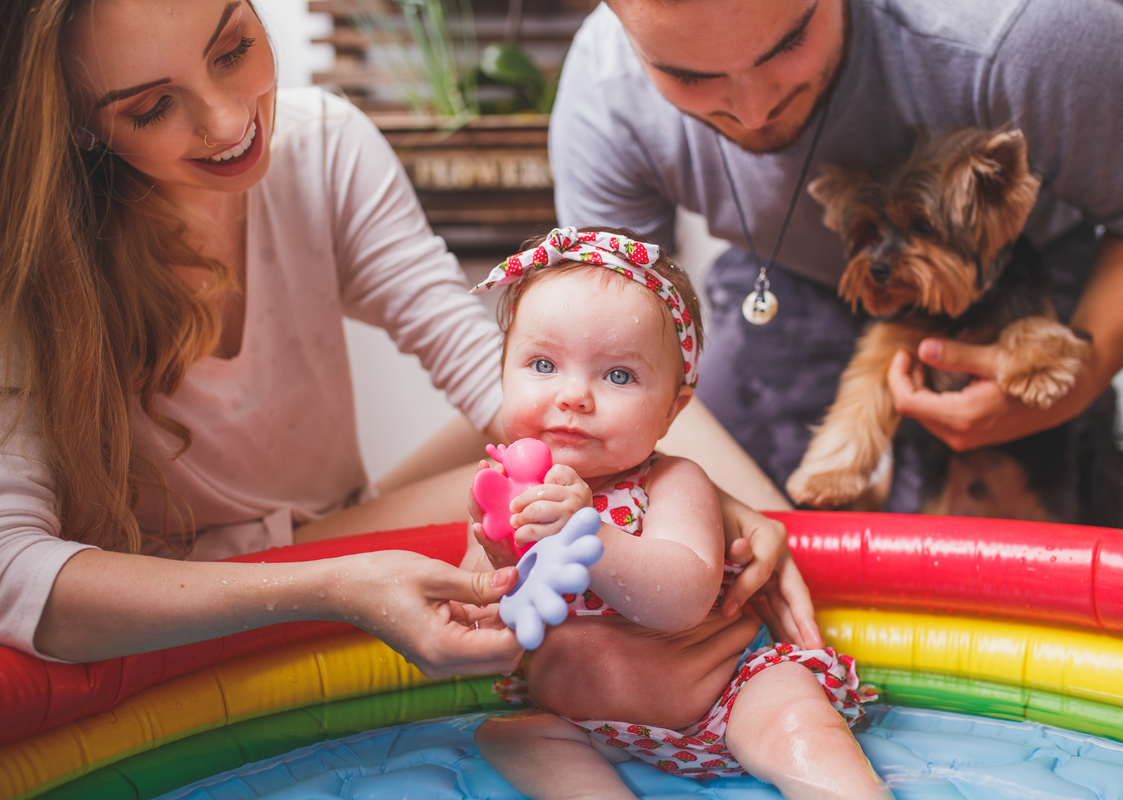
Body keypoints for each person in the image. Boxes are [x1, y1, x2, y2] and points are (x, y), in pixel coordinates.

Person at [0, 0, 813, 673]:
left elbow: (483, 371)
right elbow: (14, 574)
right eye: (150, 107)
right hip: (169, 590)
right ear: (74, 121)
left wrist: (724, 507)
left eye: (232, 48)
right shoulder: (28, 259)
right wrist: (338, 587)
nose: (225, 120)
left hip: (330, 525)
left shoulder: (320, 147)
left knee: (561, 392)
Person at [549, 0, 1123, 511]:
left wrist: (1079, 376)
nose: (754, 111)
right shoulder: (606, 92)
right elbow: (611, 350)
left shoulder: (1029, 33)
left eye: (789, 44)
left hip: (1018, 274)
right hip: (787, 277)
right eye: (689, 74)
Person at [463, 227, 890, 799]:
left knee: (793, 715)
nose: (574, 396)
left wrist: (588, 533)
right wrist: (493, 563)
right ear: (502, 373)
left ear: (672, 408)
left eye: (618, 375)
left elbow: (682, 598)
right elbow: (476, 626)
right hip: (582, 723)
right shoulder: (505, 494)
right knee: (510, 736)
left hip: (724, 699)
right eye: (542, 365)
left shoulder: (670, 481)